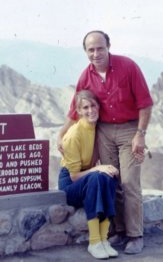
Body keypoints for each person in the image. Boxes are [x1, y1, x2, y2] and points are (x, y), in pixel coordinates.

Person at [57, 30, 153, 255]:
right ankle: (118, 231)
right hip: (104, 131)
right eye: (91, 50)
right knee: (113, 180)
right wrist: (61, 135)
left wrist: (140, 134)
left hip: (129, 128)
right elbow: (75, 110)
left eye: (100, 48)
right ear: (85, 52)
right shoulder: (85, 76)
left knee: (129, 182)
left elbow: (145, 104)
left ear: (108, 46)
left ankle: (135, 235)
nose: (96, 53)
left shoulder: (128, 67)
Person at [58, 89, 121, 259]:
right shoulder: (73, 135)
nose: (90, 110)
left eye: (93, 105)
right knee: (97, 176)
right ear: (78, 112)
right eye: (85, 108)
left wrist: (101, 170)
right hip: (70, 185)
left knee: (109, 176)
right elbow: (74, 176)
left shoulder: (98, 129)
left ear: (98, 106)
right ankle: (94, 242)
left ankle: (103, 240)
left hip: (89, 179)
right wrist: (97, 168)